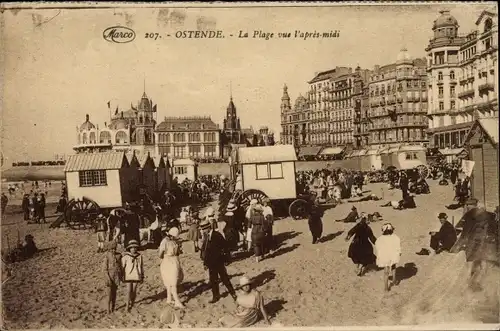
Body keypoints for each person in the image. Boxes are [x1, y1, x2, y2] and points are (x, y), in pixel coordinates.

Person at [451, 200, 499, 291]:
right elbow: (493, 229)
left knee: (473, 263)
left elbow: (464, 230)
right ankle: (478, 283)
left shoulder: (470, 215)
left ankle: (471, 282)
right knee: (481, 263)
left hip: (473, 244)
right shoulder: (489, 216)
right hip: (482, 244)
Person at [200, 219, 237, 303]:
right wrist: (205, 263)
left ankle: (233, 293)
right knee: (213, 280)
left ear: (209, 228)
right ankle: (215, 296)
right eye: (203, 229)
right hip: (211, 263)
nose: (203, 231)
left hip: (219, 262)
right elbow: (205, 251)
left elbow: (225, 247)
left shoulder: (217, 235)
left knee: (225, 279)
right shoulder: (206, 237)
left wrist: (226, 259)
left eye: (204, 229)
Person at [159, 227, 185, 308]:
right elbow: (160, 254)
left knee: (172, 280)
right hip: (168, 262)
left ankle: (169, 298)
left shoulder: (173, 241)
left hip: (174, 261)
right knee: (172, 281)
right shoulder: (165, 241)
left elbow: (177, 252)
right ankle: (177, 301)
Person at [374, 223, 401, 292]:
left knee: (386, 271)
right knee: (394, 266)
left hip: (385, 256)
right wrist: (398, 253)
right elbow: (398, 247)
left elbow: (377, 247)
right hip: (393, 255)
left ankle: (386, 287)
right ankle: (394, 280)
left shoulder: (380, 239)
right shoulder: (395, 237)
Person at [121, 239, 144, 312]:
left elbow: (141, 266)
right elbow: (122, 266)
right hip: (128, 275)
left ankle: (132, 303)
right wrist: (122, 275)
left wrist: (142, 276)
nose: (133, 249)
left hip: (136, 275)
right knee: (128, 291)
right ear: (129, 248)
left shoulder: (139, 256)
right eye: (132, 248)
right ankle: (127, 306)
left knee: (134, 291)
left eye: (135, 247)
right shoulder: (126, 257)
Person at [103, 240, 122, 314]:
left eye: (114, 248)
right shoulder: (107, 256)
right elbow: (104, 268)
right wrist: (107, 278)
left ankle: (113, 307)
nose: (113, 250)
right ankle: (108, 309)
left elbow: (121, 266)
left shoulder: (119, 255)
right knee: (109, 294)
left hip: (116, 277)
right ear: (109, 249)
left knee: (114, 293)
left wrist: (121, 276)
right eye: (111, 249)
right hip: (109, 277)